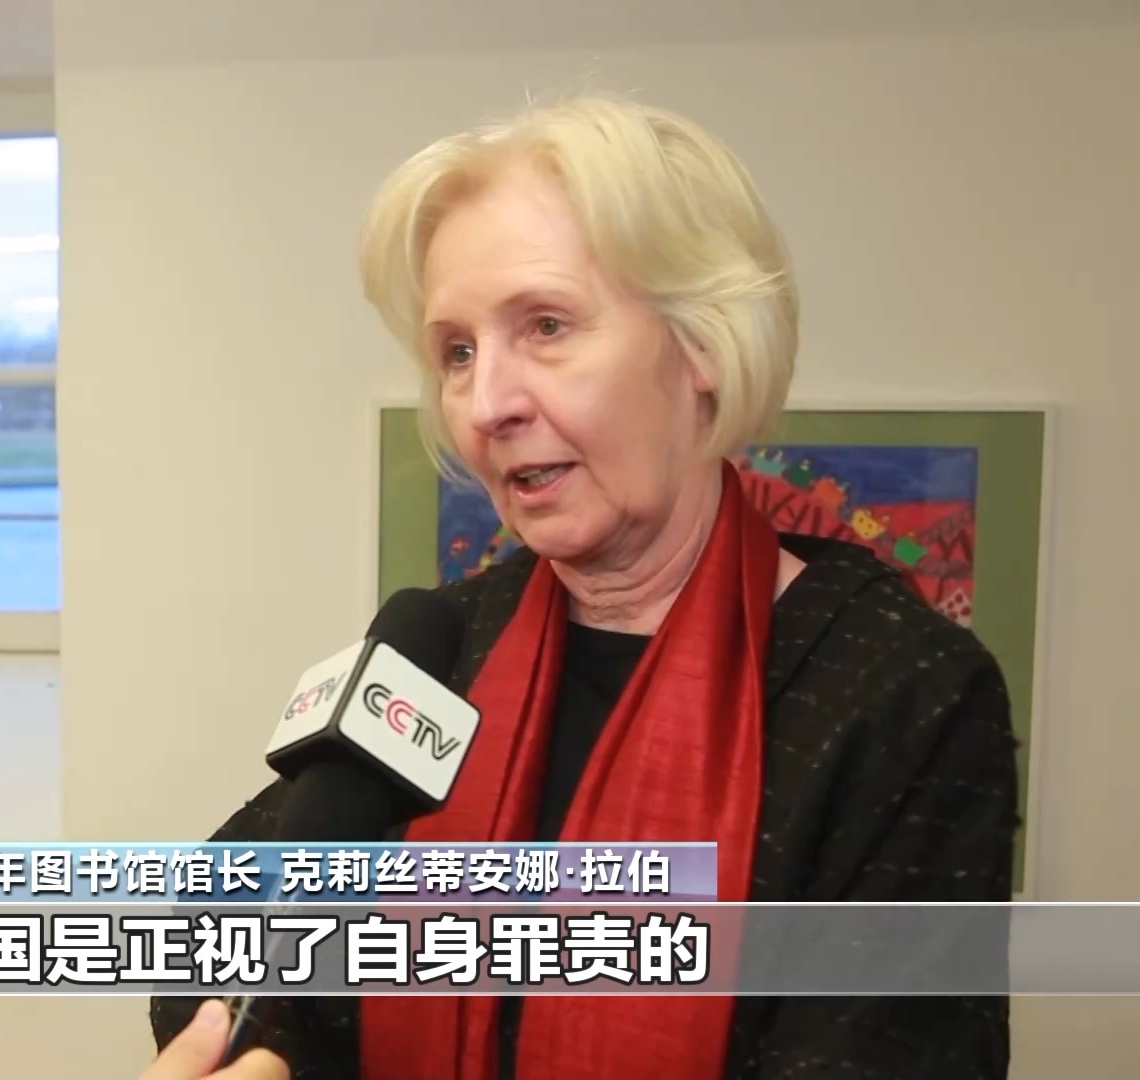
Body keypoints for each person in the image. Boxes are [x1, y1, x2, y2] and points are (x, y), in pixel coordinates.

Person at [146, 94, 1019, 1080]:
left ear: (702, 344)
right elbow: (215, 933)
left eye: (547, 326)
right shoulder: (445, 642)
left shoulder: (903, 691)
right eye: (457, 352)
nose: (486, 404)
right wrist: (276, 1050)